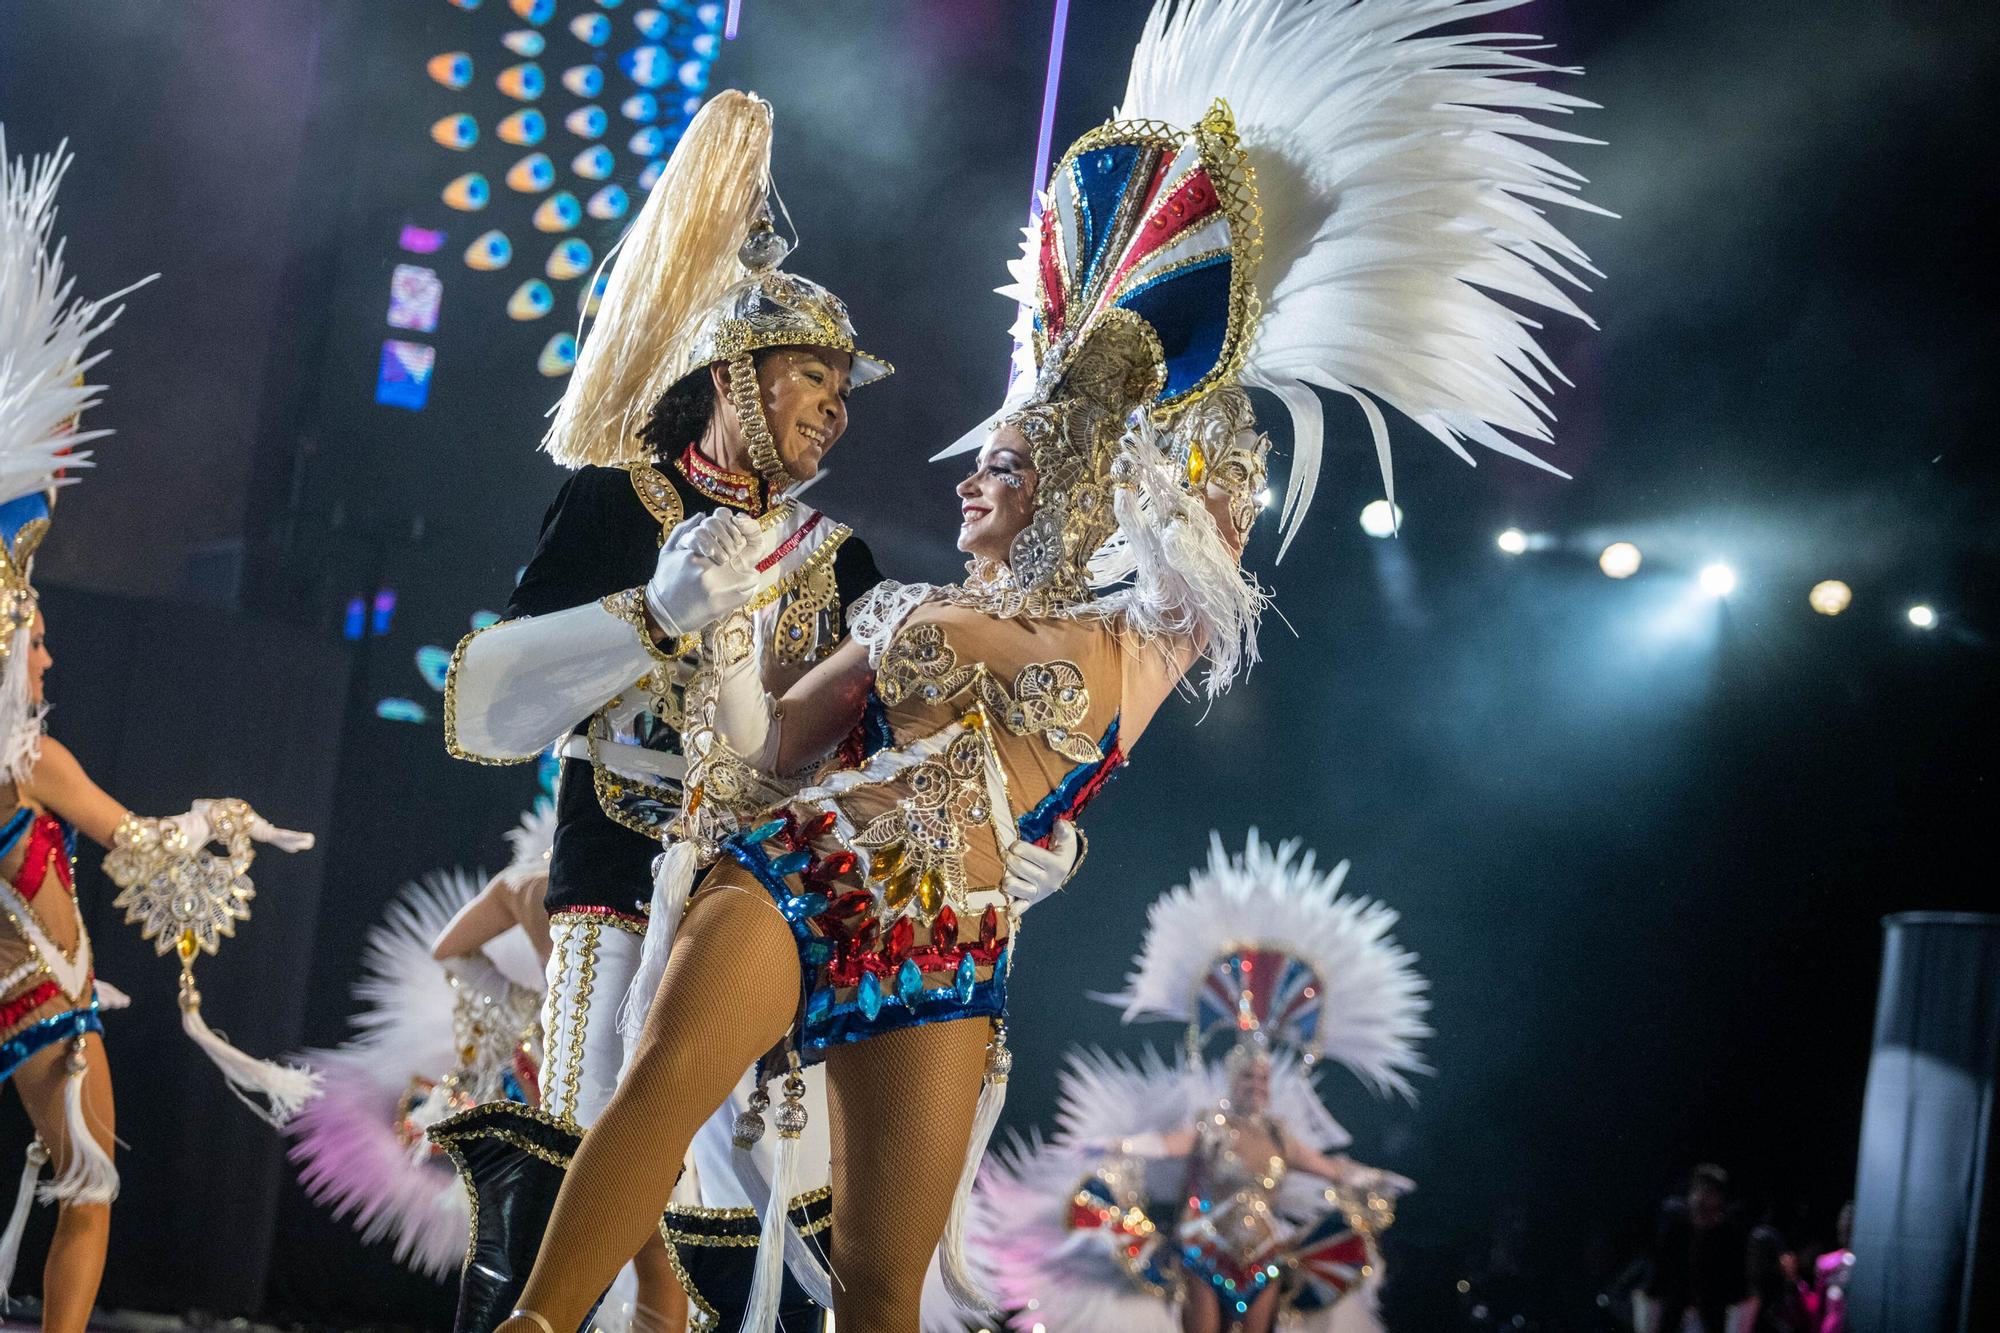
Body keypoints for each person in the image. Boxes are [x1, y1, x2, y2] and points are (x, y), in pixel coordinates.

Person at [495, 0, 1600, 1326]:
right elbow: (758, 757)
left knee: (883, 1283)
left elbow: (1218, 502)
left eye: (1002, 467)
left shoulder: (1142, 637)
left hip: (952, 940)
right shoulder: (899, 609)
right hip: (809, 868)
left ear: (1078, 482)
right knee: (660, 1093)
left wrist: (1131, 371)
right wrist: (714, 649)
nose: (969, 486)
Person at [440, 91, 1077, 1333]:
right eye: (809, 378)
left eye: (843, 392)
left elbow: (859, 747)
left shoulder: (839, 561)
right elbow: (488, 703)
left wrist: (1011, 823)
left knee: (734, 1226)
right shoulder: (617, 500)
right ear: (732, 374)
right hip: (617, 871)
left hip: (756, 894)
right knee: (584, 1165)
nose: (832, 408)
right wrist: (655, 610)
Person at [0, 133, 310, 1330]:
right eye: (29, 644)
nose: (48, 654)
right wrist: (176, 827)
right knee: (89, 1185)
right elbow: (82, 798)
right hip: (41, 997)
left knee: (86, 1183)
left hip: (46, 990)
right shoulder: (21, 758)